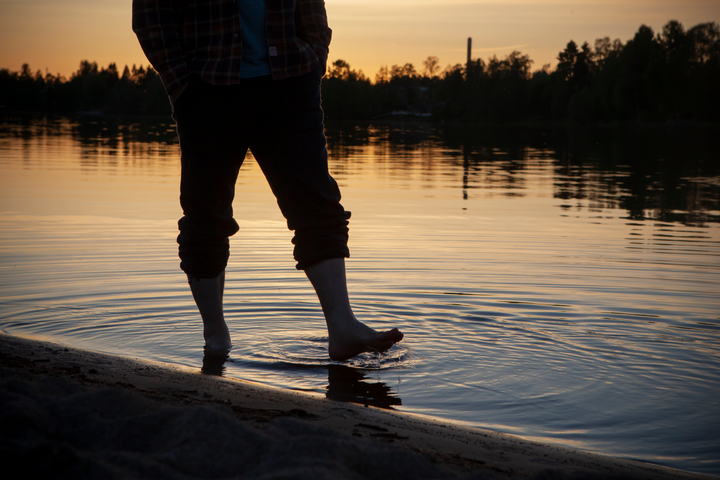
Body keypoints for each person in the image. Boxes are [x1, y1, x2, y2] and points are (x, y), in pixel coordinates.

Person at [132, 0, 403, 361]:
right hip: (208, 86)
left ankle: (342, 326)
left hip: (290, 80)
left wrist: (313, 59)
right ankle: (215, 337)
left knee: (319, 204)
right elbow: (150, 14)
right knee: (206, 215)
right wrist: (181, 85)